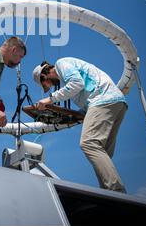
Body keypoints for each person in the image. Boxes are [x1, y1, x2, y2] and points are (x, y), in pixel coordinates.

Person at [32, 57, 128, 193]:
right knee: (101, 152)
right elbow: (85, 96)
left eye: (47, 84)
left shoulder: (61, 64)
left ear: (44, 75)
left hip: (102, 100)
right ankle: (108, 192)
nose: (52, 86)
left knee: (89, 143)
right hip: (117, 103)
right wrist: (75, 115)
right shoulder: (68, 79)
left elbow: (77, 83)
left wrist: (50, 99)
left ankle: (115, 190)